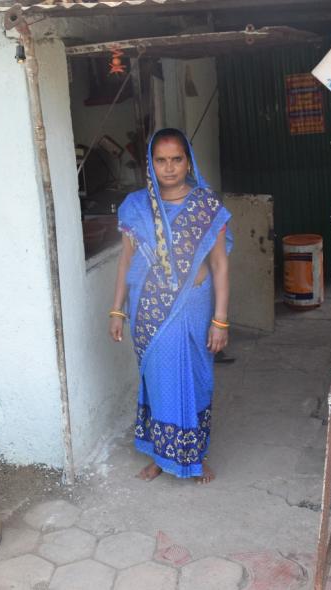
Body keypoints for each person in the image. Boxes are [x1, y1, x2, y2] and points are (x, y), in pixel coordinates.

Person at [108, 128, 232, 484]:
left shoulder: (207, 207)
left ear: (188, 161)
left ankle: (195, 455)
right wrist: (117, 309)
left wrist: (220, 320)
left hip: (193, 307)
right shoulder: (136, 207)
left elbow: (220, 264)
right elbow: (125, 261)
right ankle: (161, 456)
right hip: (149, 310)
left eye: (176, 159)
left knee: (196, 380)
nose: (169, 168)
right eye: (160, 160)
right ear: (150, 163)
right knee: (158, 381)